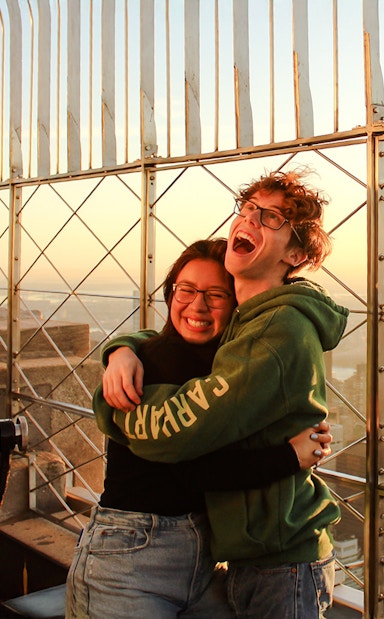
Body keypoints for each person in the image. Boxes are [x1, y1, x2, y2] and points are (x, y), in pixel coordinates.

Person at [94, 168, 349, 618]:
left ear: (296, 253)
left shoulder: (276, 329)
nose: (250, 219)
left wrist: (111, 407)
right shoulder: (246, 322)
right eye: (249, 208)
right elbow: (174, 338)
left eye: (272, 218)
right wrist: (123, 349)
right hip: (245, 557)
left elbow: (179, 435)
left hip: (283, 559)